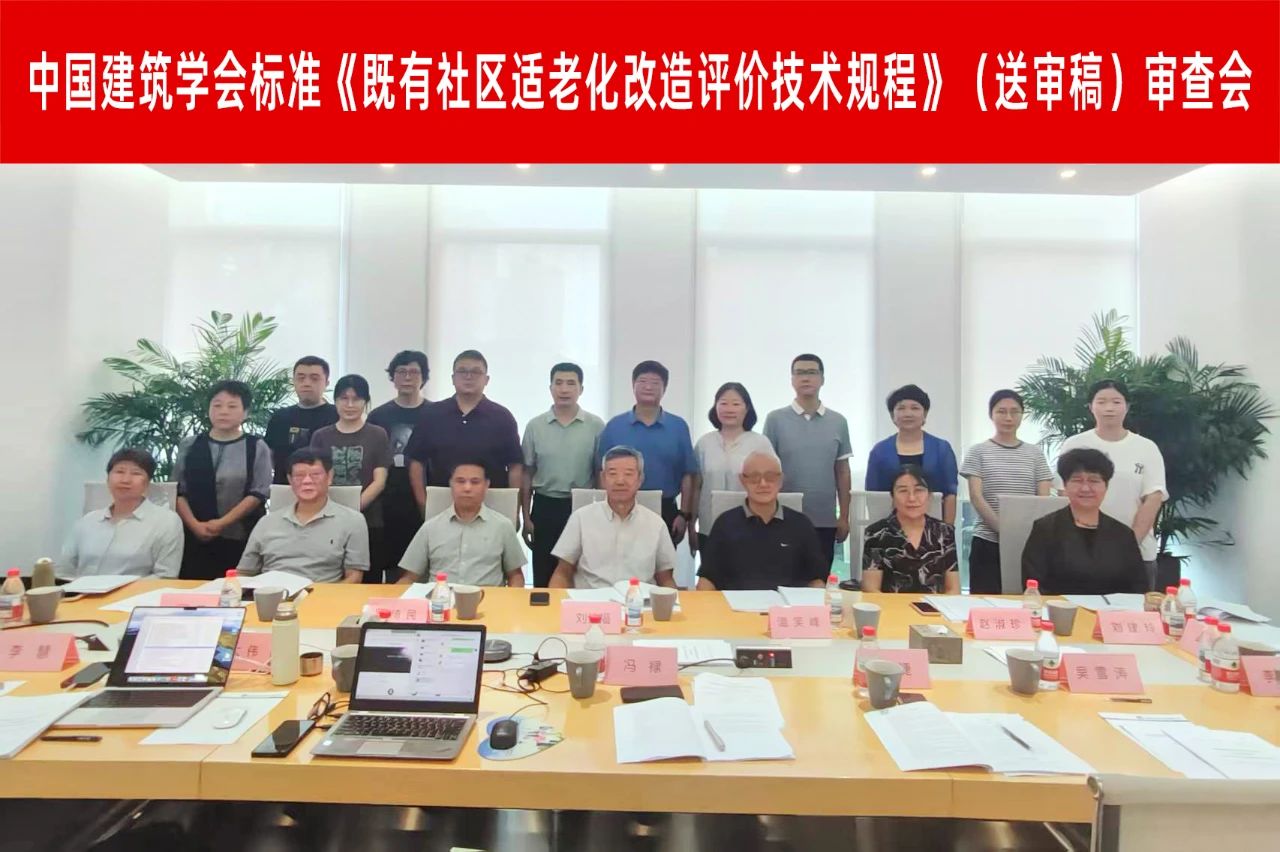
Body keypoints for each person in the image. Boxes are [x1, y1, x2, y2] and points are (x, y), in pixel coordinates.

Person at [1055, 379, 1167, 590]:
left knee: (1134, 610)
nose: (1109, 408)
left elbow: (1153, 498)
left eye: (1116, 402)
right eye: (1101, 402)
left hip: (1137, 552)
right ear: (1090, 406)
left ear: (1127, 406)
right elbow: (1064, 495)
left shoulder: (1146, 447)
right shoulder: (1075, 444)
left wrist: (1128, 545)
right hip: (1081, 552)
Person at [173, 380, 273, 580]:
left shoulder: (255, 446)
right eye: (217, 405)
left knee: (236, 591)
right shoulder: (190, 444)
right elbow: (177, 490)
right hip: (193, 536)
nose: (223, 411)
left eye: (232, 406)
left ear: (245, 412)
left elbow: (258, 492)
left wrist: (221, 523)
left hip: (241, 537)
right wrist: (194, 525)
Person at [404, 350, 522, 516]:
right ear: (453, 378)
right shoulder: (432, 414)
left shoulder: (502, 417)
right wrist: (424, 504)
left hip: (491, 507)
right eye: (462, 371)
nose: (468, 376)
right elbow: (416, 462)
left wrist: (514, 510)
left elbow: (515, 466)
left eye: (475, 372)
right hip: (442, 505)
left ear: (486, 379)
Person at [762, 354, 852, 568]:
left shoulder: (838, 422)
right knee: (782, 578)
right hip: (782, 517)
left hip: (824, 519)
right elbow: (766, 470)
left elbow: (842, 472)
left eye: (812, 372)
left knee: (819, 579)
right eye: (799, 373)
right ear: (792, 380)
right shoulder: (775, 420)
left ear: (822, 379)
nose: (805, 378)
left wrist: (844, 516)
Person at [960, 389, 1053, 594]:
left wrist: (1021, 533)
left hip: (1028, 541)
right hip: (987, 540)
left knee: (1026, 600)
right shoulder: (978, 451)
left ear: (1022, 415)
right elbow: (976, 496)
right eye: (1001, 411)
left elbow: (1043, 499)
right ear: (991, 415)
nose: (1008, 417)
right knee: (985, 602)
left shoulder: (1035, 454)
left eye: (1014, 411)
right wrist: (1005, 530)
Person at [520, 363, 605, 587]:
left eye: (571, 383)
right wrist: (526, 517)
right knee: (544, 573)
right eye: (558, 383)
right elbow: (527, 474)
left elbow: (600, 473)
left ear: (581, 389)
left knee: (581, 572)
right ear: (550, 388)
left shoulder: (596, 425)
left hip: (581, 506)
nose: (564, 389)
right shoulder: (535, 426)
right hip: (545, 506)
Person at [597, 360, 698, 544]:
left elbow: (687, 474)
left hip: (665, 508)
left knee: (662, 560)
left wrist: (684, 514)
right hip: (621, 506)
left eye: (655, 383)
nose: (648, 387)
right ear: (633, 385)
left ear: (664, 388)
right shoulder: (614, 426)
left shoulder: (678, 426)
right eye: (642, 381)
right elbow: (601, 472)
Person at [549, 446, 677, 589]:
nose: (620, 481)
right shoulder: (581, 518)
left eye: (628, 474)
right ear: (603, 478)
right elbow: (562, 573)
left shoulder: (656, 524)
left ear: (640, 479)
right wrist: (556, 601)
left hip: (639, 600)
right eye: (613, 474)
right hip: (591, 600)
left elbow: (666, 579)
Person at [697, 451, 827, 591]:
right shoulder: (724, 524)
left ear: (781, 480)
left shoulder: (801, 524)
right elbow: (707, 579)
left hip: (789, 604)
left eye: (770, 477)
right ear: (742, 480)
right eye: (754, 478)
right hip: (736, 604)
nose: (763, 484)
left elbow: (817, 580)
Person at [1023, 448, 1147, 595]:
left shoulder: (1123, 534)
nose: (1086, 488)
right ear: (1065, 485)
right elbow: (1033, 586)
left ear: (1106, 486)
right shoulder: (1045, 529)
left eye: (1094, 481)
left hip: (1113, 609)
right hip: (1058, 608)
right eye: (1077, 480)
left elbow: (1138, 588)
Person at [238, 448, 369, 583]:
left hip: (322, 594)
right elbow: (244, 573)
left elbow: (354, 578)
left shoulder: (353, 521)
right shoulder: (266, 523)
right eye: (299, 475)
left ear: (329, 477)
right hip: (271, 593)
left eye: (315, 474)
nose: (307, 481)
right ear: (290, 480)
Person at [310, 374, 393, 583]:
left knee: (368, 582)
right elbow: (315, 477)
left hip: (368, 520)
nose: (349, 405)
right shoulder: (321, 436)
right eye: (344, 398)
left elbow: (380, 480)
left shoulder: (377, 434)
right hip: (326, 519)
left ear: (366, 401)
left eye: (356, 399)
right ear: (335, 401)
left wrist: (352, 510)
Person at [397, 460, 526, 587]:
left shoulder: (503, 526)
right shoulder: (430, 528)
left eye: (475, 482)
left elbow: (516, 576)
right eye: (460, 481)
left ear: (486, 485)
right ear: (451, 484)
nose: (467, 488)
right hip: (441, 598)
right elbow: (409, 577)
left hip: (488, 599)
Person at [63, 448, 184, 579]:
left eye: (136, 473)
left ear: (147, 483)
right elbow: (65, 569)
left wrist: (114, 589)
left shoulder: (166, 522)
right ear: (108, 479)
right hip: (78, 591)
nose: (125, 480)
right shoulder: (88, 521)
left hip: (136, 592)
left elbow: (166, 576)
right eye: (119, 471)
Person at [688, 382, 774, 556]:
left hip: (750, 525)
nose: (729, 409)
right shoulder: (705, 443)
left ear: (747, 408)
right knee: (711, 572)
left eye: (736, 404)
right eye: (723, 403)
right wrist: (691, 525)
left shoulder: (760, 443)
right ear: (715, 407)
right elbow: (696, 487)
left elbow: (772, 484)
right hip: (709, 527)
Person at [368, 350, 431, 576]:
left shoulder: (436, 414)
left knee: (425, 564)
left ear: (424, 377)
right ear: (392, 377)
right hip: (386, 502)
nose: (407, 377)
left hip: (425, 499)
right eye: (401, 372)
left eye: (414, 372)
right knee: (392, 566)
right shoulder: (378, 416)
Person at [865, 385, 959, 525]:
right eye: (901, 408)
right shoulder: (880, 451)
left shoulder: (942, 448)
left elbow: (950, 494)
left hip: (934, 527)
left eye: (915, 408)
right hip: (890, 529)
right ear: (892, 415)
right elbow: (872, 496)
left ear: (925, 414)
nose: (908, 413)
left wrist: (947, 530)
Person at [860, 465, 960, 594]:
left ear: (929, 495)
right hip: (891, 606)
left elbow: (953, 589)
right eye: (903, 491)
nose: (911, 498)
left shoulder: (945, 532)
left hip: (935, 606)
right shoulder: (876, 533)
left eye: (919, 490)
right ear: (892, 497)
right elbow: (871, 589)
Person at [265, 356, 338, 484]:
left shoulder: (337, 415)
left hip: (327, 489)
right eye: (301, 378)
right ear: (294, 381)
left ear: (326, 383)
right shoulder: (279, 418)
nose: (307, 383)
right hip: (285, 488)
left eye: (314, 378)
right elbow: (268, 457)